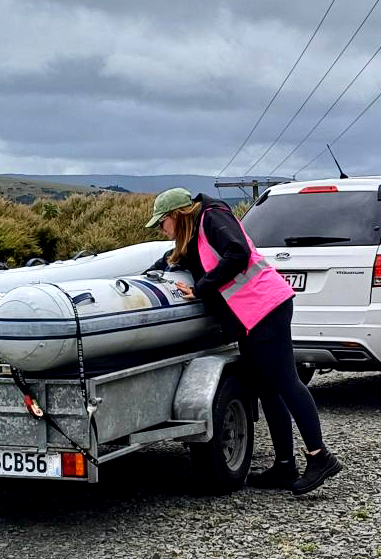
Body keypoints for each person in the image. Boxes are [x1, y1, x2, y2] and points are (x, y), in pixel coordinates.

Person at [145, 188, 342, 494]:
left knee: (287, 382)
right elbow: (179, 256)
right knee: (266, 388)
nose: (161, 229)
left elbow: (238, 253)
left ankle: (320, 457)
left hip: (266, 309)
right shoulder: (195, 232)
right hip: (250, 317)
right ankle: (285, 466)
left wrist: (202, 288)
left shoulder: (212, 218)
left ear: (177, 215)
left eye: (162, 223)